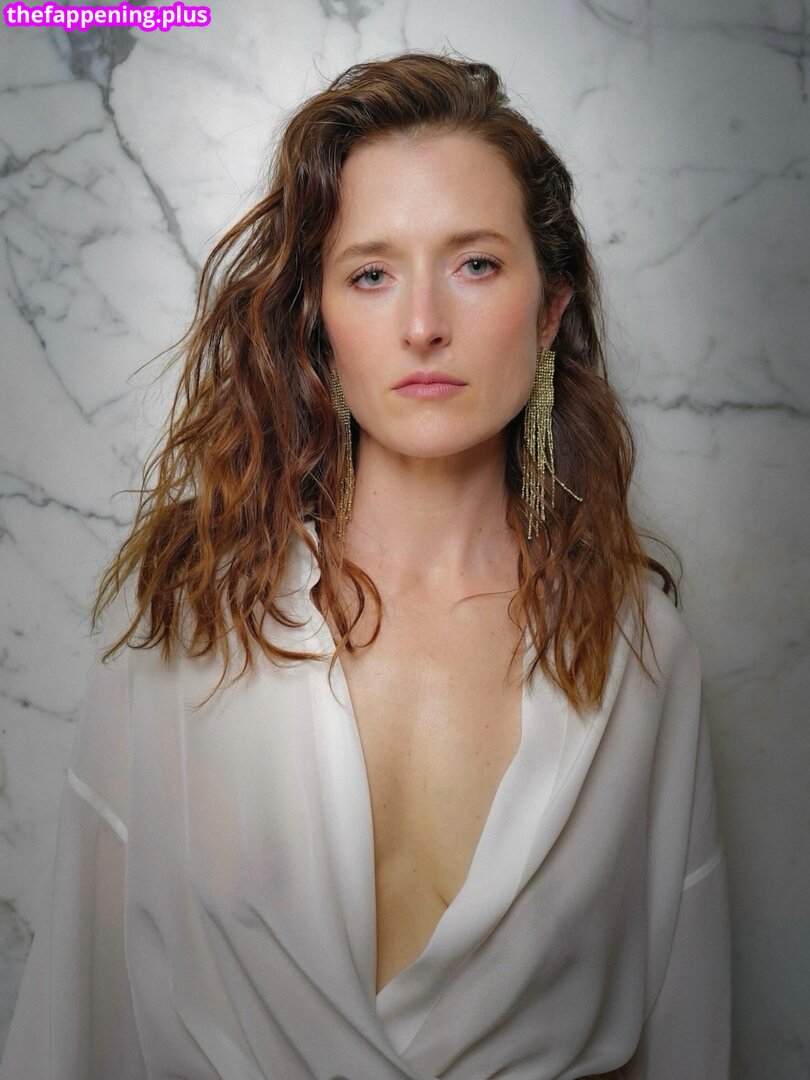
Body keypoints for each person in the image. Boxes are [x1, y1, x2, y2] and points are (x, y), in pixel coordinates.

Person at [0, 51, 730, 1080]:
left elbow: (687, 1032)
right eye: (372, 274)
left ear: (550, 312)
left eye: (476, 265)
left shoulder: (643, 653)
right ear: (318, 320)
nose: (423, 324)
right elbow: (73, 1026)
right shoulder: (190, 621)